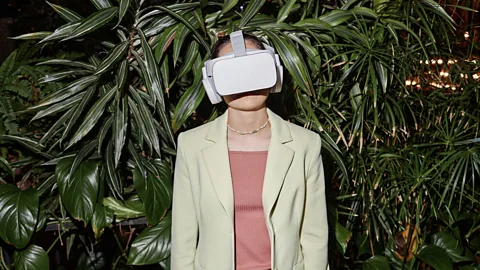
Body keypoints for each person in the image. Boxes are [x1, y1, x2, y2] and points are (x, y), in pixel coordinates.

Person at [171, 31, 328, 270]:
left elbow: (314, 234)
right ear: (213, 82)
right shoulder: (191, 145)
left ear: (273, 71)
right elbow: (183, 237)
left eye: (253, 67)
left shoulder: (305, 144)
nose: (245, 81)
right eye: (231, 72)